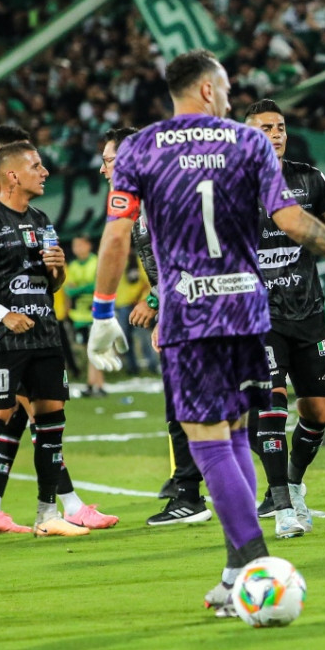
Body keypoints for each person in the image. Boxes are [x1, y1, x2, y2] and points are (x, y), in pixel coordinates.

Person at [87, 49, 325, 616]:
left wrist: (101, 314)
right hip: (247, 306)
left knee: (206, 437)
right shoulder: (246, 145)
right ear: (210, 91)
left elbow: (118, 236)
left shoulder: (141, 148)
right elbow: (292, 220)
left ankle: (255, 562)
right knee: (237, 432)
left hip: (190, 311)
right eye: (228, 84)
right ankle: (235, 568)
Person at [0, 132, 116, 535]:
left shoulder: (42, 221)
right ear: (11, 176)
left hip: (45, 338)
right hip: (3, 341)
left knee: (51, 424)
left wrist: (57, 268)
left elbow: (52, 284)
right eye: (36, 166)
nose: (45, 172)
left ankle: (48, 515)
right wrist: (3, 314)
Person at [243, 98, 325, 538]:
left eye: (280, 127)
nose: (276, 134)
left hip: (308, 311)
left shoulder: (309, 179)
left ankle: (291, 483)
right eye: (265, 128)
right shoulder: (234, 185)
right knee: (273, 403)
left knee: (317, 414)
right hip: (258, 316)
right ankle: (281, 504)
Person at [98, 126, 211, 527]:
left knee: (195, 405)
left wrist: (155, 302)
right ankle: (190, 488)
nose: (102, 169)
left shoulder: (160, 198)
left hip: (199, 309)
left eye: (109, 160)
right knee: (189, 405)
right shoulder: (145, 200)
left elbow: (188, 256)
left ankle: (192, 495)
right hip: (185, 309)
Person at [65, 236, 105, 397]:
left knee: (96, 348)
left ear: (89, 245)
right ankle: (92, 383)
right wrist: (86, 287)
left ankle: (98, 384)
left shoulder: (96, 262)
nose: (78, 248)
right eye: (75, 245)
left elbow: (99, 284)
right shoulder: (73, 266)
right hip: (79, 315)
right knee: (89, 350)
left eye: (81, 245)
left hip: (96, 313)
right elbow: (68, 289)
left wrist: (80, 288)